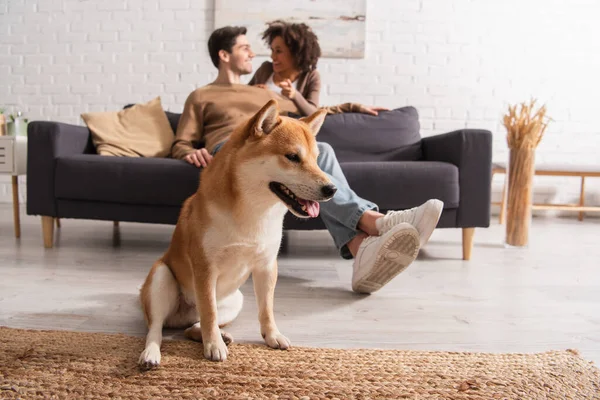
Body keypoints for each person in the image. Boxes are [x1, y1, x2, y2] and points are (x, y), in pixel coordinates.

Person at [171, 26, 444, 294]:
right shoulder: (202, 96)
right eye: (245, 48)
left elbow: (306, 118)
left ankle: (362, 245)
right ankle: (378, 224)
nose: (254, 54)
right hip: (232, 153)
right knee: (316, 152)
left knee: (321, 150)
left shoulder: (264, 92)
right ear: (224, 55)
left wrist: (353, 107)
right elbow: (182, 140)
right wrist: (187, 151)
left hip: (273, 151)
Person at [248, 20, 321, 116]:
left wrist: (295, 95)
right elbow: (242, 95)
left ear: (296, 53)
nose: (272, 57)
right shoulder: (265, 69)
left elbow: (314, 114)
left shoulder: (311, 76)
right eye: (272, 50)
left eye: (278, 51)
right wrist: (253, 90)